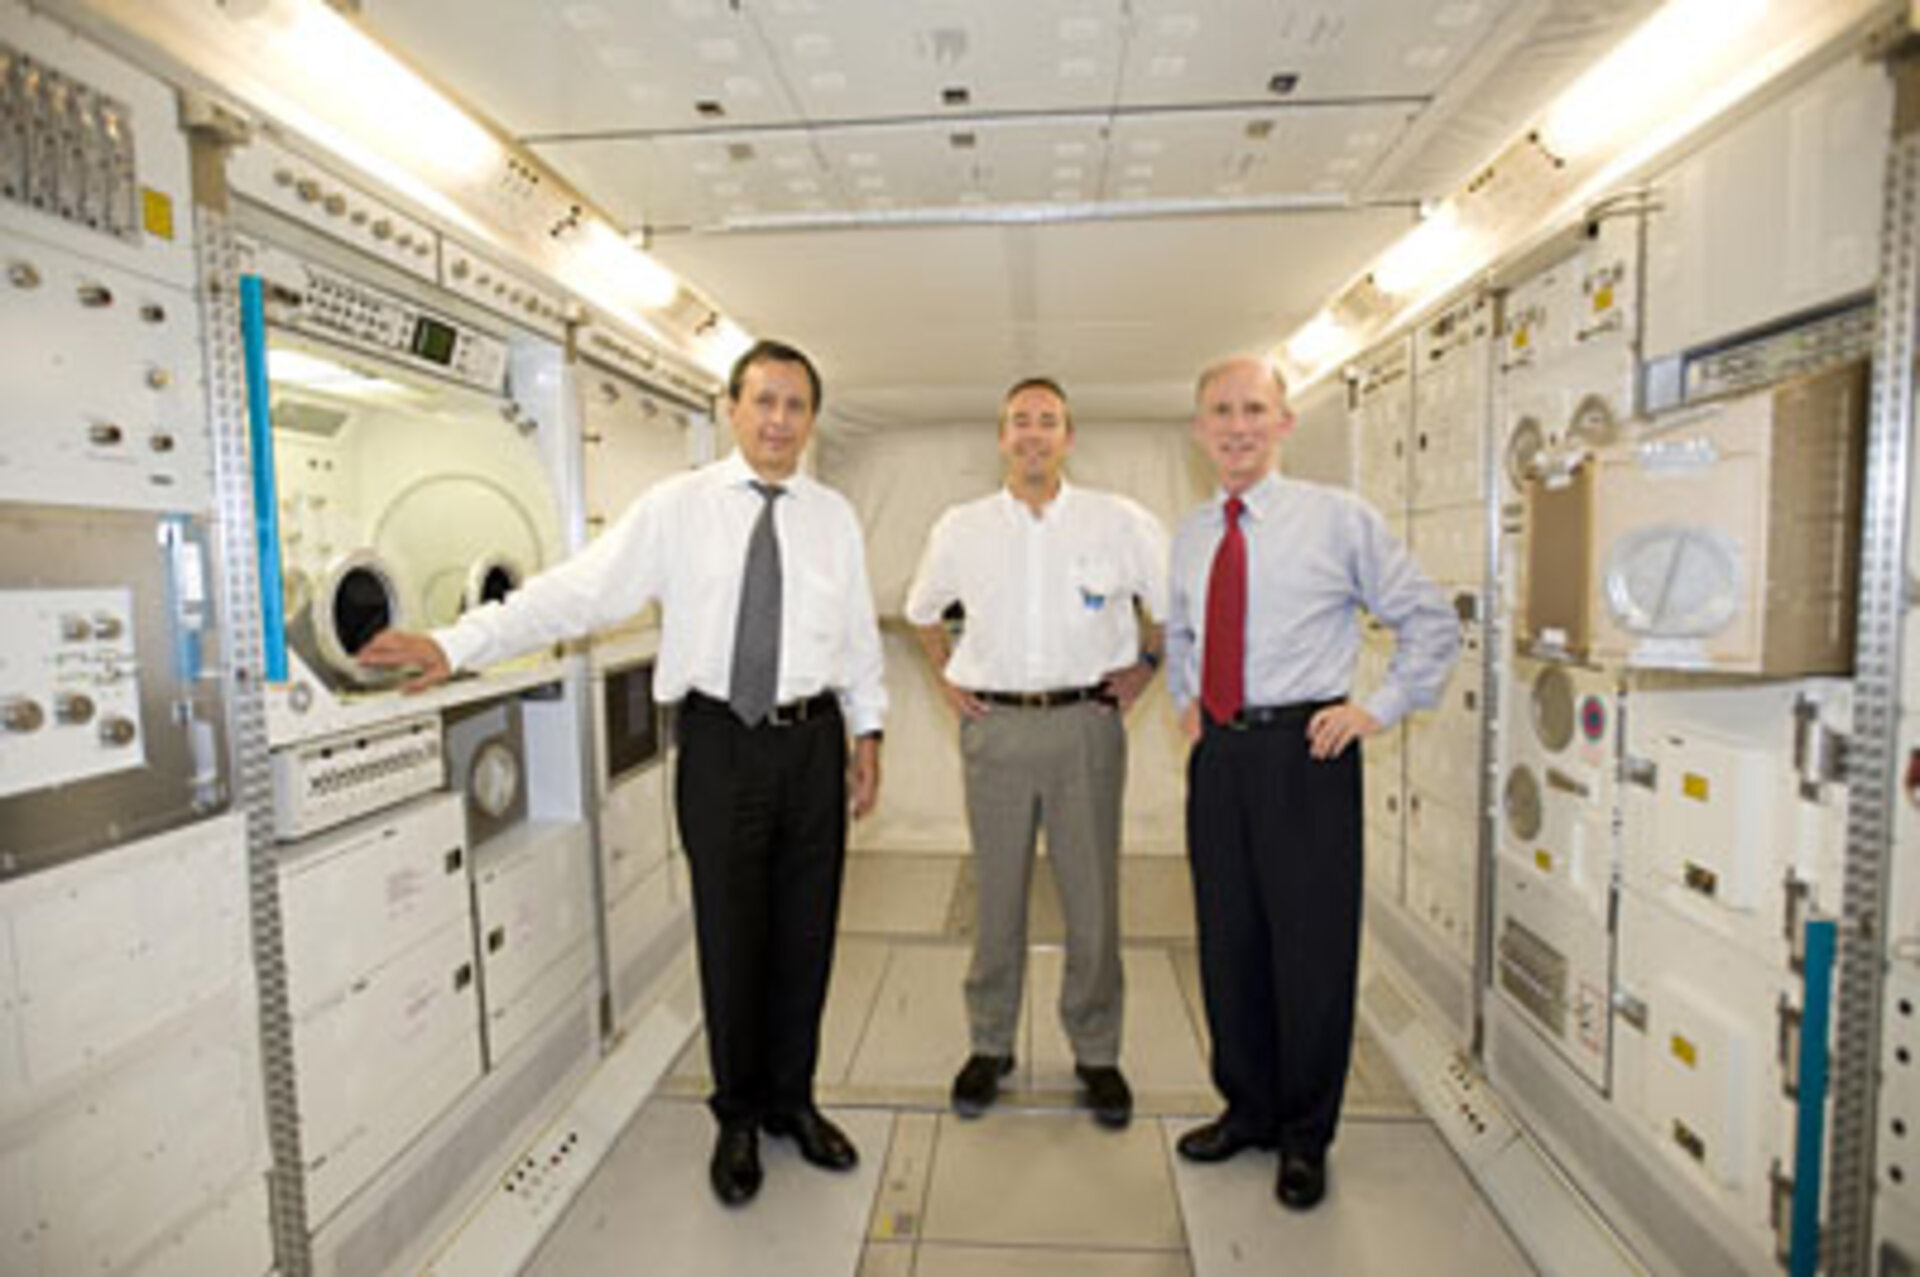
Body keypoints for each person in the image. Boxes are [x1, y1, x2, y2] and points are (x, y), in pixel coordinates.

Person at [357, 340, 886, 1208]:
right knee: (730, 932)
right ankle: (738, 1117)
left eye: (795, 406)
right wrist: (457, 644)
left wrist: (868, 734)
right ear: (731, 408)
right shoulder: (676, 509)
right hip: (719, 741)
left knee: (807, 931)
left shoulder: (833, 518)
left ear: (812, 419)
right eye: (764, 402)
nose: (778, 421)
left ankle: (795, 1100)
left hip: (811, 741)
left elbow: (858, 638)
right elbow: (577, 592)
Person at [1166, 356, 1457, 1209]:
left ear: (1284, 422)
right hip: (1221, 757)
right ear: (1200, 430)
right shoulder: (1190, 531)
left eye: (1254, 408)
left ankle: (1304, 1133)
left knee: (1311, 951)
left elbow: (1428, 620)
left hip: (1309, 753)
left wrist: (1376, 708)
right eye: (1220, 410)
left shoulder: (1339, 520)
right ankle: (1247, 1109)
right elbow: (1185, 632)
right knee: (1229, 943)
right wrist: (1189, 701)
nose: (1237, 425)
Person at [904, 376, 1168, 1129]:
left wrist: (1145, 671)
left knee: (1091, 900)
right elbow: (923, 612)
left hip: (1086, 724)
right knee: (997, 897)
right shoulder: (962, 525)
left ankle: (1096, 1050)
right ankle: (990, 1043)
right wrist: (948, 682)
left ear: (1068, 436)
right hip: (999, 731)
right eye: (1019, 421)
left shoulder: (1118, 521)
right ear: (1001, 436)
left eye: (1047, 421)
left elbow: (1174, 608)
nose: (1032, 433)